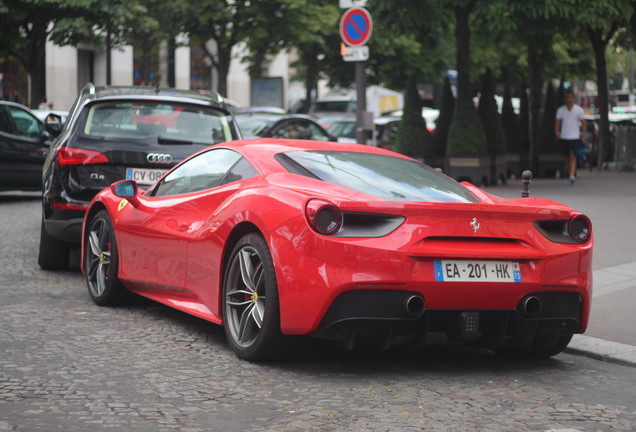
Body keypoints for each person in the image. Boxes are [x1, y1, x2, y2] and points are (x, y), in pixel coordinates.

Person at [555, 89, 586, 184]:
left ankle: (572, 175)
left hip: (574, 136)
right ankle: (570, 174)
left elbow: (584, 123)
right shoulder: (561, 110)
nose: (569, 99)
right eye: (567, 97)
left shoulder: (578, 110)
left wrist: (583, 135)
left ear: (573, 98)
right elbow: (558, 122)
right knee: (567, 157)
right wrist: (557, 131)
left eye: (570, 97)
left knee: (573, 155)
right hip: (565, 136)